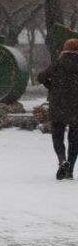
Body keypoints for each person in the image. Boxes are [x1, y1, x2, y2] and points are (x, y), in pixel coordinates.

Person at [36, 38, 78, 180]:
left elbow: (40, 78)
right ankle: (70, 169)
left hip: (58, 106)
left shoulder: (57, 64)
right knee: (74, 140)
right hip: (76, 108)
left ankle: (62, 160)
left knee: (58, 137)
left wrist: (51, 86)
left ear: (65, 49)